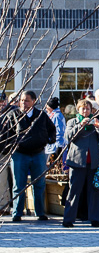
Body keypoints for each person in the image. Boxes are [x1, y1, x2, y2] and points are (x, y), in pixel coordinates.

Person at [2, 91, 56, 222]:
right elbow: (5, 134)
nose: (23, 103)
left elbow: (52, 129)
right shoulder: (13, 115)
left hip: (38, 154)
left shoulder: (41, 116)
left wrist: (48, 140)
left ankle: (40, 212)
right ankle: (17, 213)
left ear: (33, 101)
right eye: (21, 100)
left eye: (26, 100)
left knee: (39, 184)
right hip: (19, 154)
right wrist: (10, 148)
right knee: (19, 185)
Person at [63, 99, 99, 228]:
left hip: (94, 162)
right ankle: (68, 219)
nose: (85, 111)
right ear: (78, 110)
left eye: (88, 109)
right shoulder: (72, 122)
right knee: (74, 191)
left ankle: (94, 218)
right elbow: (68, 138)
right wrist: (80, 126)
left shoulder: (96, 121)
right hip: (77, 162)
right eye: (83, 109)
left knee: (94, 191)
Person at [45, 97, 66, 165]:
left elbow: (59, 131)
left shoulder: (57, 116)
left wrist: (59, 146)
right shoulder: (51, 115)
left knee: (52, 166)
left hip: (55, 146)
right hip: (50, 146)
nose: (46, 109)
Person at [0, 91, 12, 214]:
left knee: (5, 180)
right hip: (2, 150)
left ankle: (4, 206)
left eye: (2, 101)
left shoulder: (12, 112)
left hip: (8, 149)